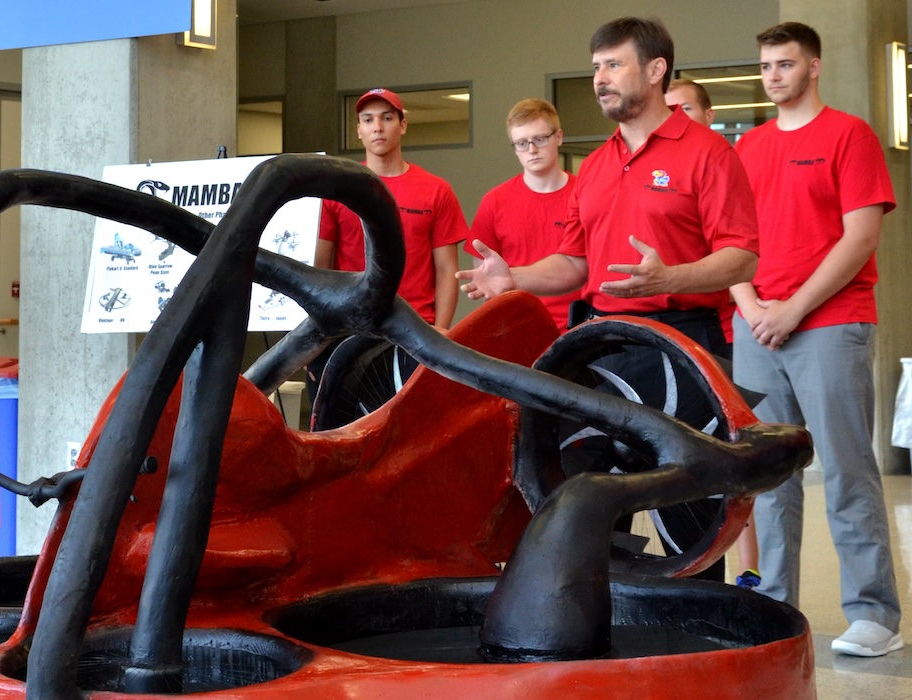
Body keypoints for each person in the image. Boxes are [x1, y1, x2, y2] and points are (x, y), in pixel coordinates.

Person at [458, 16, 759, 582]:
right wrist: (514, 277)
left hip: (685, 345)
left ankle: (688, 644)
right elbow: (574, 264)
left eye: (613, 64)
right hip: (604, 345)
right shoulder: (593, 167)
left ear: (655, 69)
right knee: (583, 485)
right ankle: (606, 620)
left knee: (685, 507)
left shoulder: (709, 154)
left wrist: (667, 278)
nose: (600, 78)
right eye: (596, 66)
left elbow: (742, 256)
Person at [732, 21, 902, 657]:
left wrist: (792, 309)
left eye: (785, 64)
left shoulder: (849, 135)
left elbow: (859, 238)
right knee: (769, 478)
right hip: (758, 327)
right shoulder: (747, 147)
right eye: (766, 65)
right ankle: (776, 604)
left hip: (830, 323)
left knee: (847, 471)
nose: (773, 75)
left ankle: (874, 616)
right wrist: (751, 306)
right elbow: (730, 243)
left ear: (813, 67)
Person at [665, 78, 761, 591]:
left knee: (727, 462)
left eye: (685, 109)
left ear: (706, 113)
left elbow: (740, 255)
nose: (676, 116)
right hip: (695, 332)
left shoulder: (715, 161)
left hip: (719, 334)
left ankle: (746, 570)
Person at [310, 88, 469, 394]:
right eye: (368, 120)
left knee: (415, 434)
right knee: (341, 432)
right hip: (349, 334)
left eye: (386, 118)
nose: (377, 127)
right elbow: (320, 270)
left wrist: (442, 330)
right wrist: (318, 336)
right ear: (359, 130)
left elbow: (447, 269)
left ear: (403, 125)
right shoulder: (336, 189)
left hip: (415, 334)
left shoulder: (436, 191)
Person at [465, 98, 580, 334]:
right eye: (521, 143)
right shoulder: (495, 201)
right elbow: (488, 279)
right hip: (519, 329)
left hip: (580, 327)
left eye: (539, 139)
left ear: (558, 136)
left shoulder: (586, 194)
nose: (532, 150)